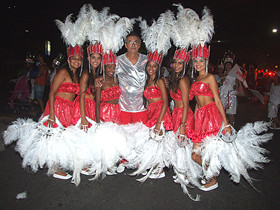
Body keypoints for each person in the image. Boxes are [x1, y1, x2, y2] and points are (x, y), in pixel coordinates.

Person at [116, 32, 148, 125]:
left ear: (139, 44)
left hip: (142, 106)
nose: (133, 44)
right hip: (123, 107)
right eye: (130, 42)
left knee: (141, 136)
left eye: (135, 42)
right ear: (126, 45)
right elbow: (109, 76)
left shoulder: (147, 60)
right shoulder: (118, 60)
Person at [219, 50, 239, 126]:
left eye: (229, 65)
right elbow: (219, 84)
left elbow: (238, 85)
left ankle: (232, 128)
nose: (228, 66)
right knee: (221, 113)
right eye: (226, 65)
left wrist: (235, 86)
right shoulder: (222, 75)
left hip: (231, 96)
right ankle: (222, 128)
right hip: (222, 96)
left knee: (231, 114)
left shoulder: (235, 75)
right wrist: (221, 82)